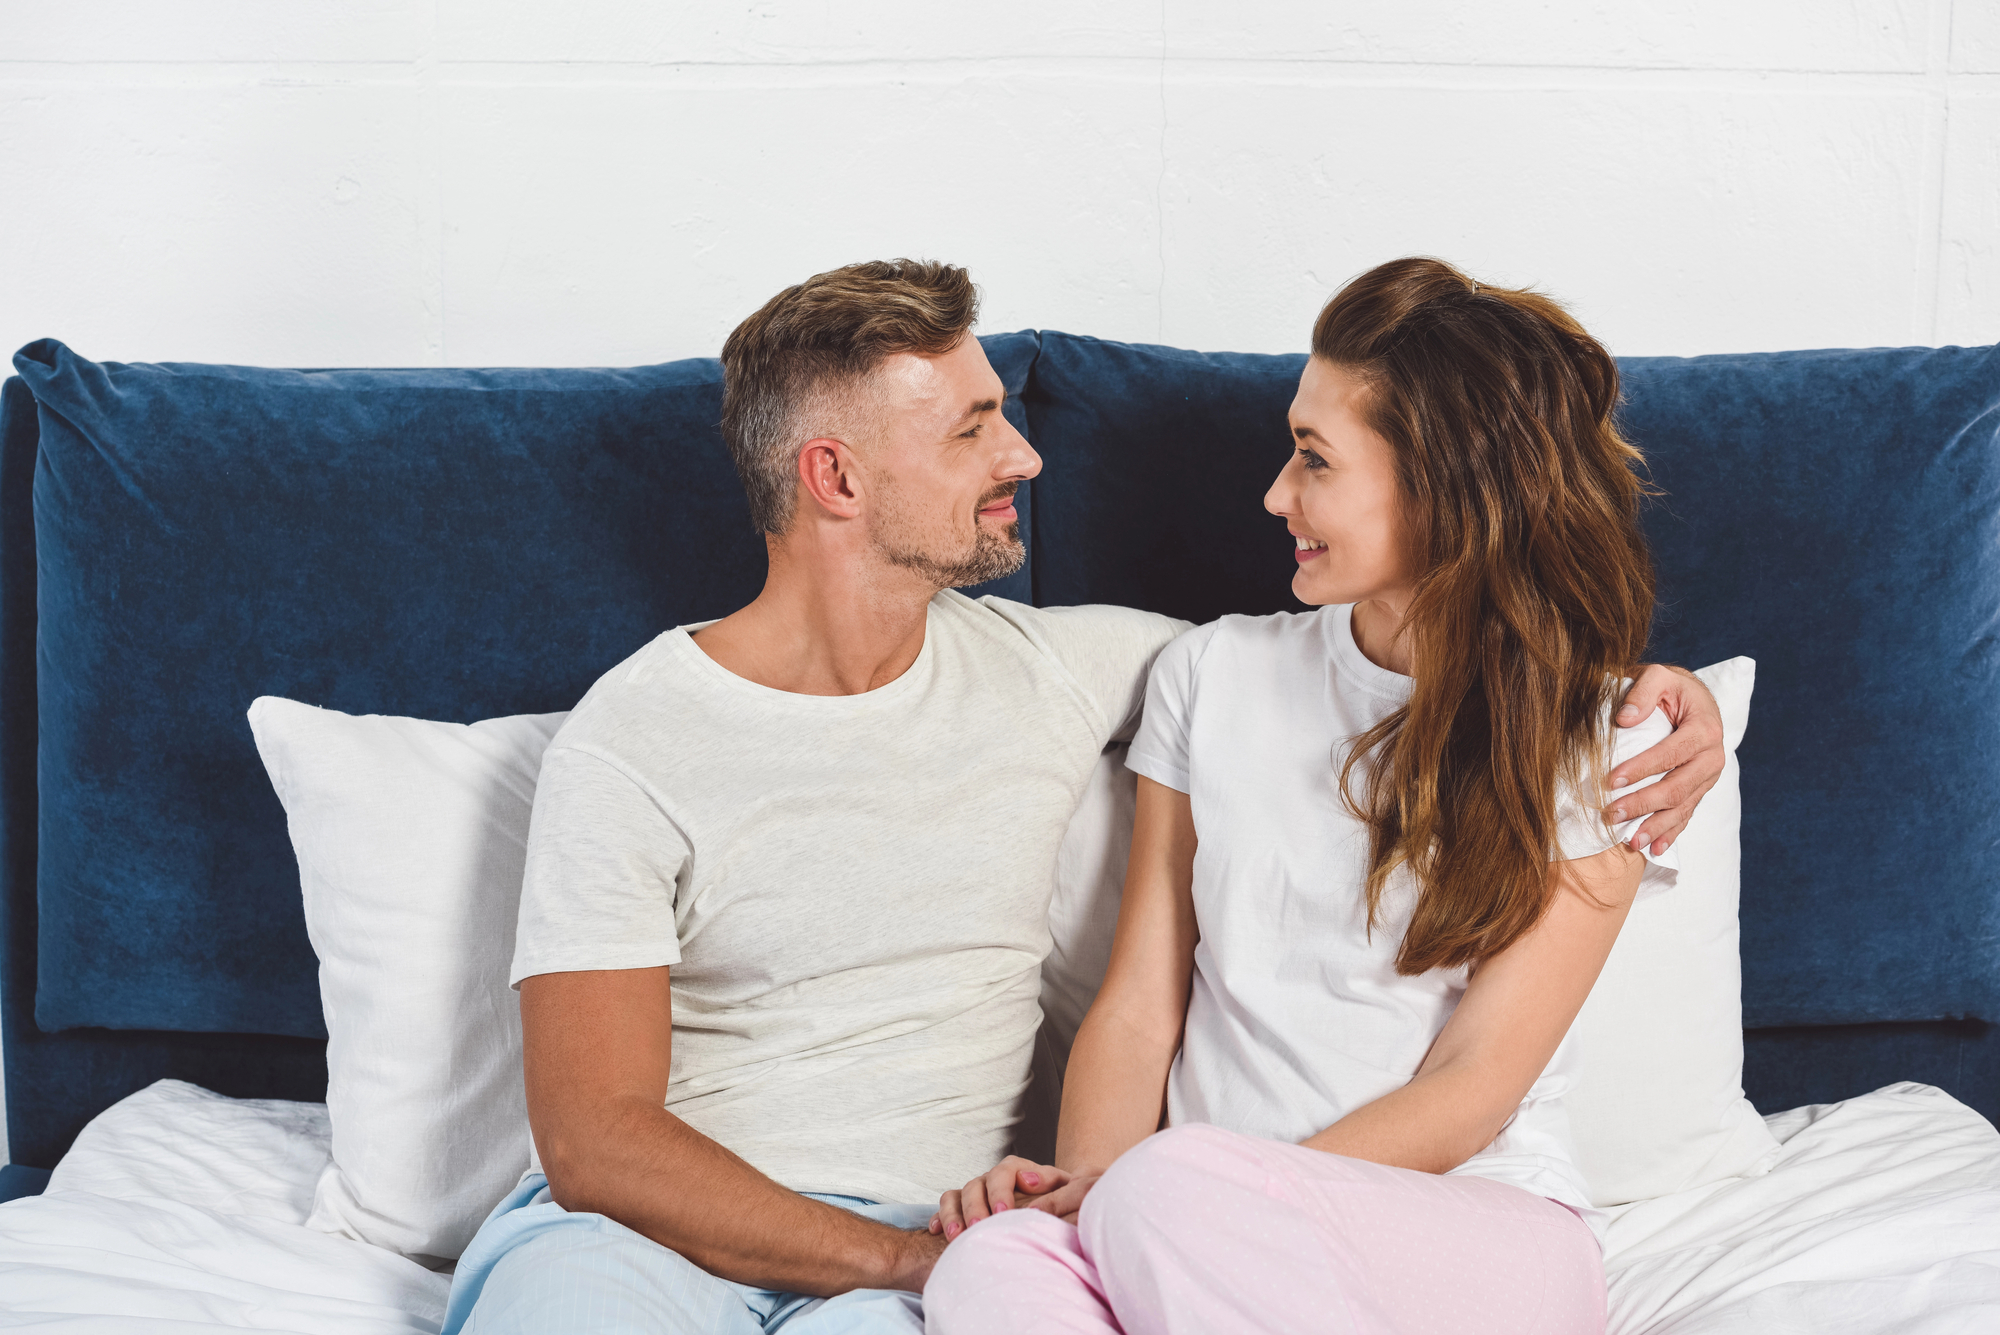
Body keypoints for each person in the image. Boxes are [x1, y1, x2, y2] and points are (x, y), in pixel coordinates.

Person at [441, 259, 1725, 1334]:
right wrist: (1022, 1219)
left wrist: (1662, 697)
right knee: (954, 1275)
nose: (1026, 456)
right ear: (834, 478)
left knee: (1083, 1235)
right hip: (703, 1241)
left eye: (1310, 460)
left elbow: (1472, 1058)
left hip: (1267, 1223)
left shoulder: (1069, 673)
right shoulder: (637, 736)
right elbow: (598, 1143)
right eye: (970, 431)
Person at [924, 257, 1686, 1335]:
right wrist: (1089, 1192)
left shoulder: (1603, 739)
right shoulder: (1213, 676)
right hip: (1189, 1233)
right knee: (989, 1264)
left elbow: (1476, 1084)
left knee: (1162, 1189)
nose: (1277, 495)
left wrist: (1200, 1192)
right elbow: (1141, 1000)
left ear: (1443, 490)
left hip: (1472, 1229)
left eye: (1313, 460)